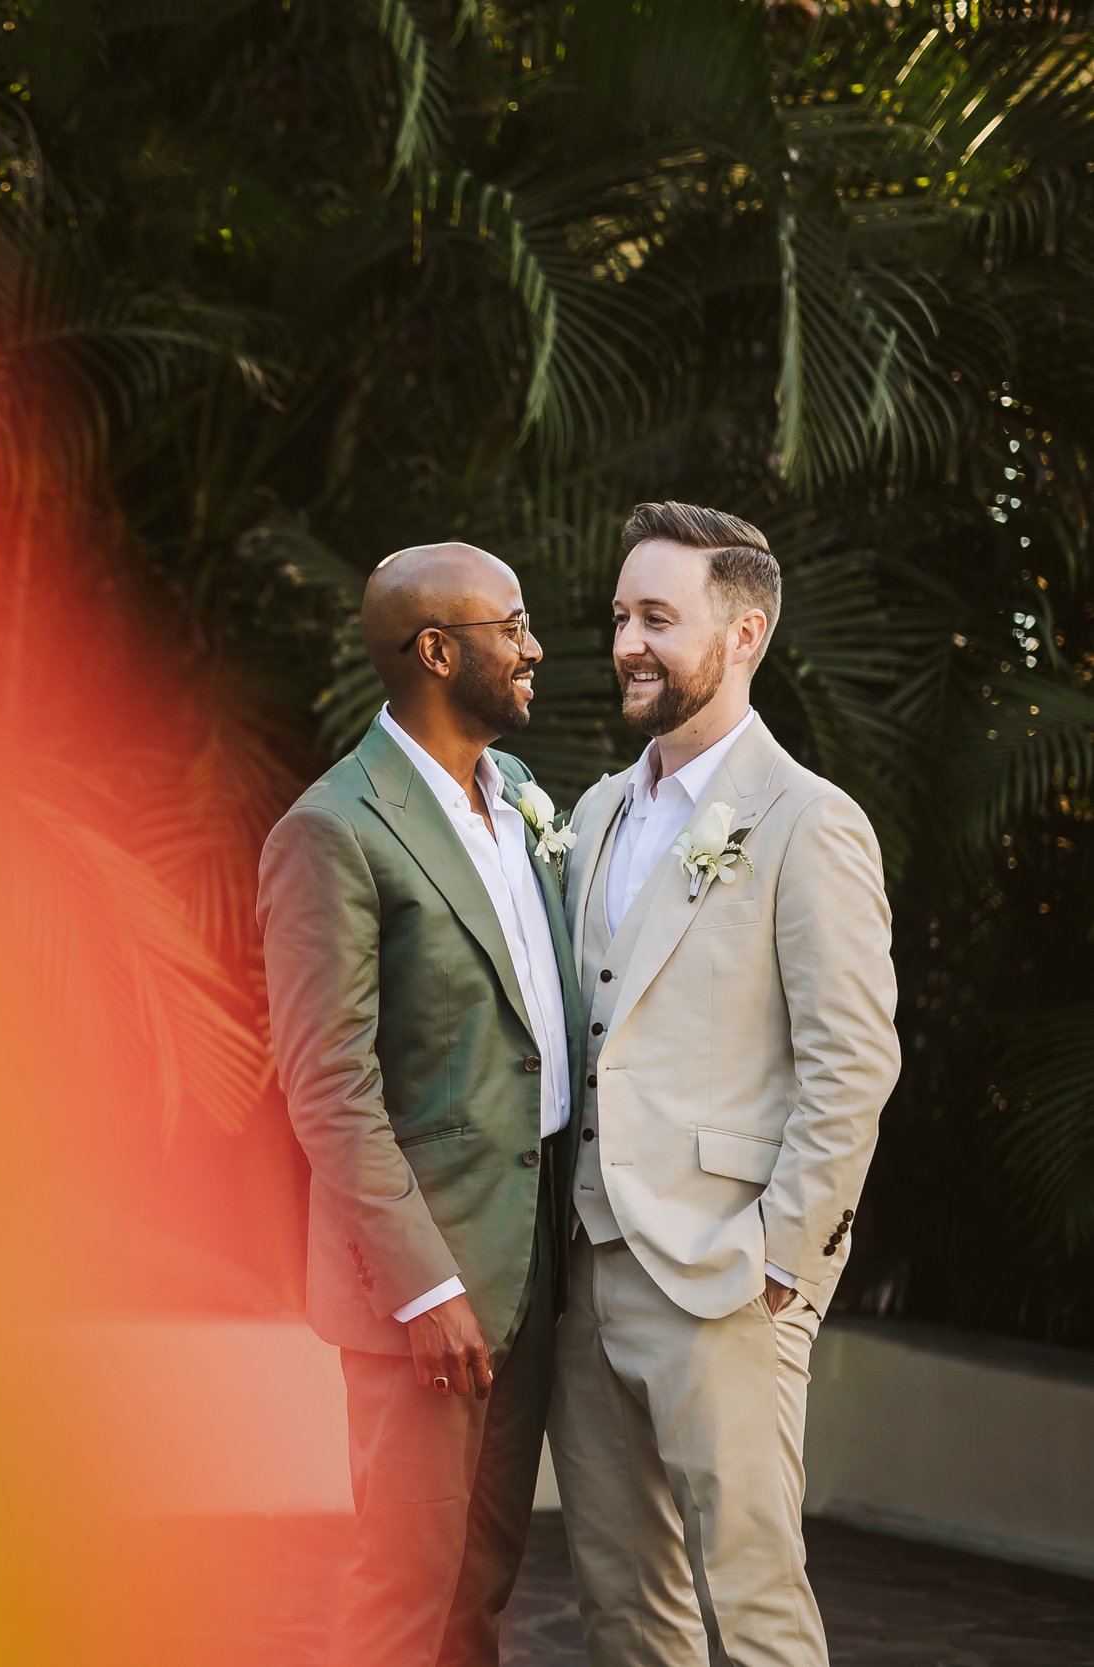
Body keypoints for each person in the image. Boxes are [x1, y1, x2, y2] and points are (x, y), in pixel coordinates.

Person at [549, 503, 899, 1667]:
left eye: (658, 617)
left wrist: (784, 1256)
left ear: (743, 634)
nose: (626, 642)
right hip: (584, 1273)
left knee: (751, 1603)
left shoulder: (809, 821)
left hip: (727, 1275)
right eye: (617, 616)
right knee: (619, 1603)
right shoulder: (597, 810)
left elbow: (853, 1057)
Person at [255, 542, 578, 1667]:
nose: (535, 647)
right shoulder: (332, 828)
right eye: (514, 626)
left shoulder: (526, 799)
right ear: (437, 650)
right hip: (427, 1282)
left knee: (479, 1582)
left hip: (531, 1253)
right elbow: (326, 1083)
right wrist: (423, 1284)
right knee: (403, 1587)